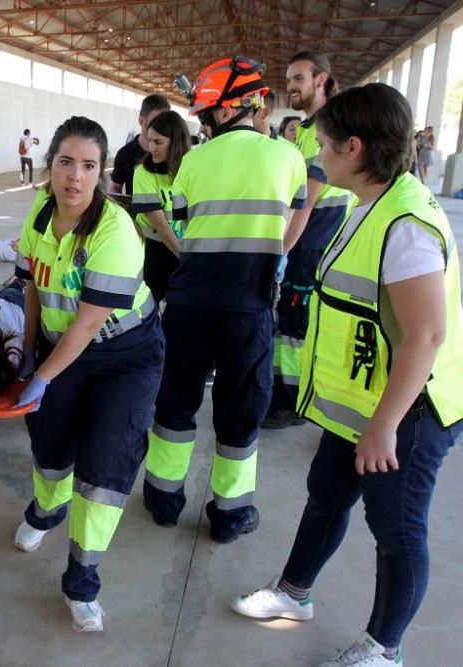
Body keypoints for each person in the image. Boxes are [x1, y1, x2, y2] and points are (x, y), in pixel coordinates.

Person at [232, 83, 463, 667]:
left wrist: (384, 426)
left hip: (407, 412)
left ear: (354, 147)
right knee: (326, 497)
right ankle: (294, 594)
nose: (318, 155)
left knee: (397, 528)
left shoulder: (406, 224)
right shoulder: (370, 204)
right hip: (360, 401)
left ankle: (385, 648)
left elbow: (426, 335)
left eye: (325, 145)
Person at [142, 56, 307, 542]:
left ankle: (163, 501)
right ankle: (230, 516)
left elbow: (182, 219)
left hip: (189, 302)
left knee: (175, 403)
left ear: (217, 112)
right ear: (250, 105)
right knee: (240, 411)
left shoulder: (192, 161)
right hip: (249, 306)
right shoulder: (288, 158)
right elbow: (294, 219)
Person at [11, 116, 165, 632]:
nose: (75, 176)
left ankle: (82, 580)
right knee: (50, 446)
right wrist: (27, 352)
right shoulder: (38, 213)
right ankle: (46, 511)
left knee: (106, 464)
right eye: (65, 162)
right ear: (50, 164)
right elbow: (32, 286)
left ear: (102, 172)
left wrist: (41, 378)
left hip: (124, 354)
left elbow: (86, 326)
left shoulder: (114, 230)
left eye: (88, 165)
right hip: (59, 348)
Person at [263, 51, 352, 429]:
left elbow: (308, 200)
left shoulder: (326, 130)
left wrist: (281, 251)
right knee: (289, 323)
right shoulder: (303, 130)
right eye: (289, 78)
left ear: (321, 80)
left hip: (314, 236)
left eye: (298, 78)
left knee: (296, 323)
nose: (292, 86)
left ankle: (294, 402)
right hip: (303, 236)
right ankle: (288, 394)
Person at [130, 109, 191, 302]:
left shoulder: (190, 169)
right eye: (150, 141)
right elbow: (161, 225)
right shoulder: (143, 173)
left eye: (158, 142)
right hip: (153, 250)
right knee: (148, 305)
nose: (151, 148)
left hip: (183, 245)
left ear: (176, 142)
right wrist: (187, 260)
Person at [109, 94, 171, 196]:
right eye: (156, 121)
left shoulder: (172, 152)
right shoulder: (125, 154)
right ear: (141, 121)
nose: (161, 126)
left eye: (165, 122)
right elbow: (115, 188)